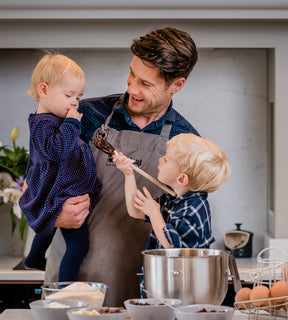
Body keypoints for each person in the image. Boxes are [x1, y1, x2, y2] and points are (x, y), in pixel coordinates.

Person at [44, 27, 200, 306]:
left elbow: (189, 232)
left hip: (146, 291)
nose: (131, 88)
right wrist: (54, 215)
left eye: (146, 83)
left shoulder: (186, 141)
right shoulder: (83, 115)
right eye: (132, 74)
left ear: (177, 84)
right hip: (74, 283)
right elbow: (33, 184)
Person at [113, 133, 231, 295]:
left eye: (166, 159)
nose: (160, 160)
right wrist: (128, 174)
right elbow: (135, 211)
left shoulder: (195, 207)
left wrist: (154, 213)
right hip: (166, 287)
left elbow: (174, 248)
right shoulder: (174, 199)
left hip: (186, 291)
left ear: (182, 179)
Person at [19, 53, 102, 279]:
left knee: (51, 225)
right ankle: (67, 292)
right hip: (62, 195)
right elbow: (58, 150)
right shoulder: (43, 124)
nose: (75, 102)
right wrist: (73, 123)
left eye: (79, 96)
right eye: (69, 95)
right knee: (78, 246)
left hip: (62, 192)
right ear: (43, 91)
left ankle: (34, 257)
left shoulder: (52, 120)